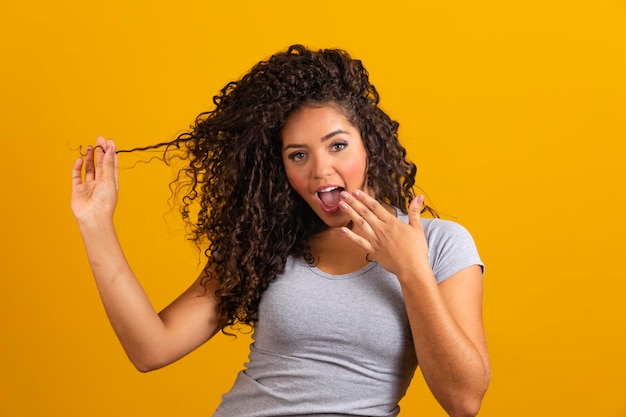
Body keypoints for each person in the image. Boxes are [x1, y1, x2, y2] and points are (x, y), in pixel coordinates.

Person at [71, 44, 490, 417]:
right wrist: (96, 224)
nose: (320, 170)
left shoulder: (439, 244)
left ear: (369, 146)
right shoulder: (267, 243)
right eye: (298, 155)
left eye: (338, 145)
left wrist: (412, 271)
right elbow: (151, 348)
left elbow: (464, 401)